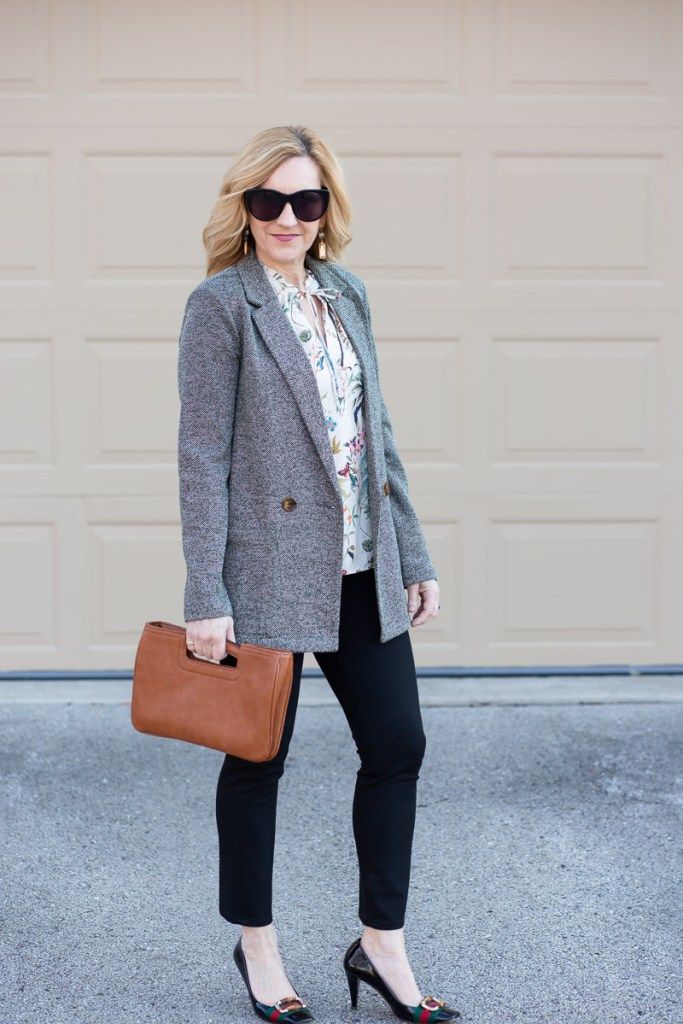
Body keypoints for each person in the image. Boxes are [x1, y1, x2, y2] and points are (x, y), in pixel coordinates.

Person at [177, 125, 460, 1023]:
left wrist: (413, 552)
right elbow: (200, 457)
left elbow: (376, 438)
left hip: (361, 564)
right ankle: (257, 947)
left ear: (325, 206)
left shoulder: (347, 293)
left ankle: (380, 946)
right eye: (268, 200)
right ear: (244, 208)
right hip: (265, 572)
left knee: (398, 746)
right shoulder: (221, 306)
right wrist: (205, 592)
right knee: (256, 758)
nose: (287, 217)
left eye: (305, 200)